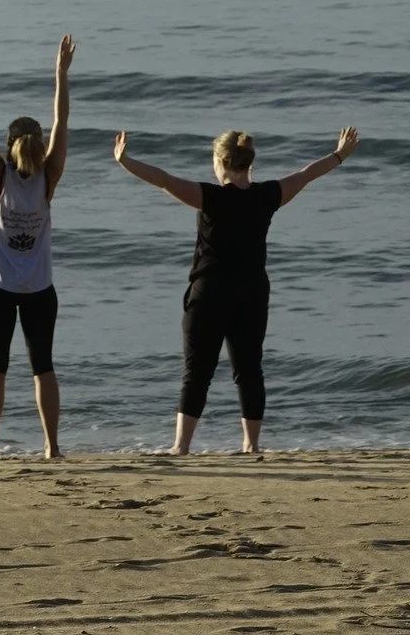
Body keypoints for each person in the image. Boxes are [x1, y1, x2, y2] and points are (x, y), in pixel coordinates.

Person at [114, 124, 360, 455]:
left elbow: (164, 180)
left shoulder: (209, 196)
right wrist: (340, 155)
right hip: (251, 293)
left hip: (209, 292)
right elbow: (306, 174)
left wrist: (125, 161)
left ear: (221, 162)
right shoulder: (267, 195)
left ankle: (181, 446)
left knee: (197, 371)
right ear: (249, 164)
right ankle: (251, 444)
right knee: (248, 369)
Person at [0, 33, 74, 460]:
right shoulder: (50, 177)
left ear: (8, 148)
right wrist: (61, 74)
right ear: (39, 145)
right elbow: (63, 120)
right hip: (40, 291)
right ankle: (51, 448)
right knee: (42, 366)